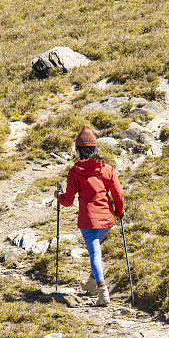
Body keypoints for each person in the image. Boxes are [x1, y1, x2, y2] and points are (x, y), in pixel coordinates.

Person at [55, 124, 124, 306]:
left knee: (95, 253)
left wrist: (58, 196)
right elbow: (118, 195)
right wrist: (118, 212)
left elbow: (68, 200)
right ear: (94, 148)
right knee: (97, 251)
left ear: (78, 149)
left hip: (88, 220)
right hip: (107, 220)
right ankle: (92, 284)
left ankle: (102, 290)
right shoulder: (107, 169)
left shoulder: (75, 172)